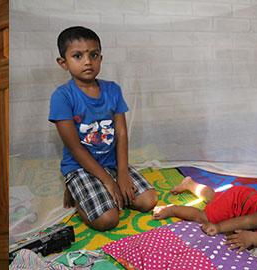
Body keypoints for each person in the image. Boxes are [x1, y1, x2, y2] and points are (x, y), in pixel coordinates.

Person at [49, 26, 158, 231]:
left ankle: (97, 190)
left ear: (101, 57)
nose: (88, 61)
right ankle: (75, 189)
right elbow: (75, 148)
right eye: (78, 56)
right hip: (80, 166)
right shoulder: (62, 97)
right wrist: (109, 182)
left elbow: (122, 134)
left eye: (94, 54)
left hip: (112, 163)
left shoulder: (112, 90)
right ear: (63, 63)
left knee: (148, 201)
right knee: (108, 220)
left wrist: (123, 175)